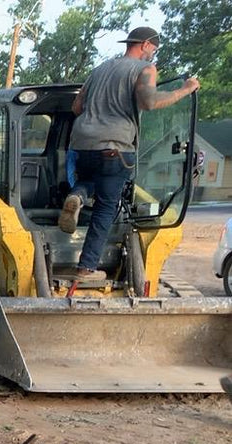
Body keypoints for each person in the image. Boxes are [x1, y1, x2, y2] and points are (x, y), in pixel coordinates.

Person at [59, 26, 200, 281]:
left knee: (89, 181)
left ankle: (77, 196)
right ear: (145, 44)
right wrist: (186, 89)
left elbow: (77, 106)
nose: (153, 55)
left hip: (83, 143)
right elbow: (150, 102)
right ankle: (86, 268)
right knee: (106, 207)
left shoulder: (99, 70)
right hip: (116, 147)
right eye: (153, 50)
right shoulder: (144, 69)